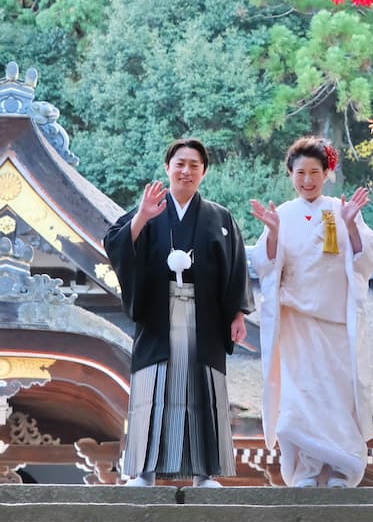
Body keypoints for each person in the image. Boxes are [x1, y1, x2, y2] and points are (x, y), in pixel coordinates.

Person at [104, 138, 253, 488]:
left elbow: (236, 268)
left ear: (203, 172)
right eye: (180, 163)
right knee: (153, 389)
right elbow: (115, 243)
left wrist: (238, 315)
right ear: (168, 167)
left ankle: (205, 474)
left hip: (206, 321)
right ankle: (144, 472)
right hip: (158, 316)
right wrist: (142, 216)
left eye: (194, 165)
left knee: (203, 390)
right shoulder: (150, 208)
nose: (186, 171)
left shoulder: (220, 217)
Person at [249, 136, 373, 488]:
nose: (307, 179)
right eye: (300, 172)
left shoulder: (342, 210)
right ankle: (307, 469)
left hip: (335, 322)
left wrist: (352, 225)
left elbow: (367, 256)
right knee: (300, 396)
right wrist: (273, 234)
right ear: (290, 175)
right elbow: (264, 265)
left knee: (336, 396)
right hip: (296, 324)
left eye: (314, 172)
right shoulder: (283, 215)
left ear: (326, 174)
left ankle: (342, 467)